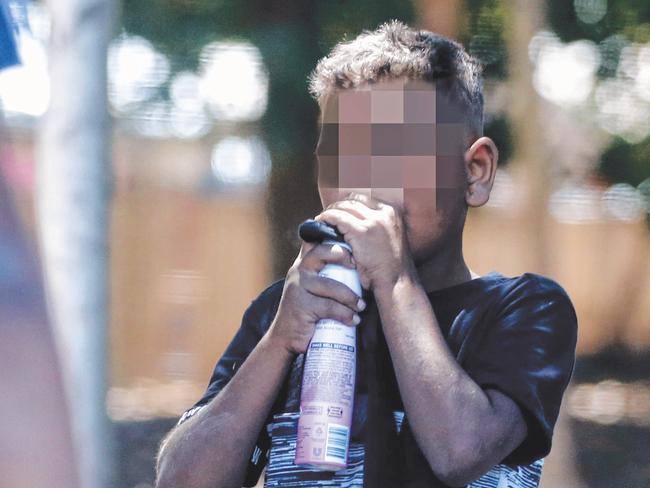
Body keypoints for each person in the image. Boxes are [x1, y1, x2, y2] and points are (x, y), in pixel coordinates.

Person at [155, 20, 577, 488]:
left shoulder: (523, 309)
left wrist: (395, 281)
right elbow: (182, 481)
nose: (363, 181)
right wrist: (279, 340)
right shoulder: (285, 311)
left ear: (475, 172)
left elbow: (461, 453)